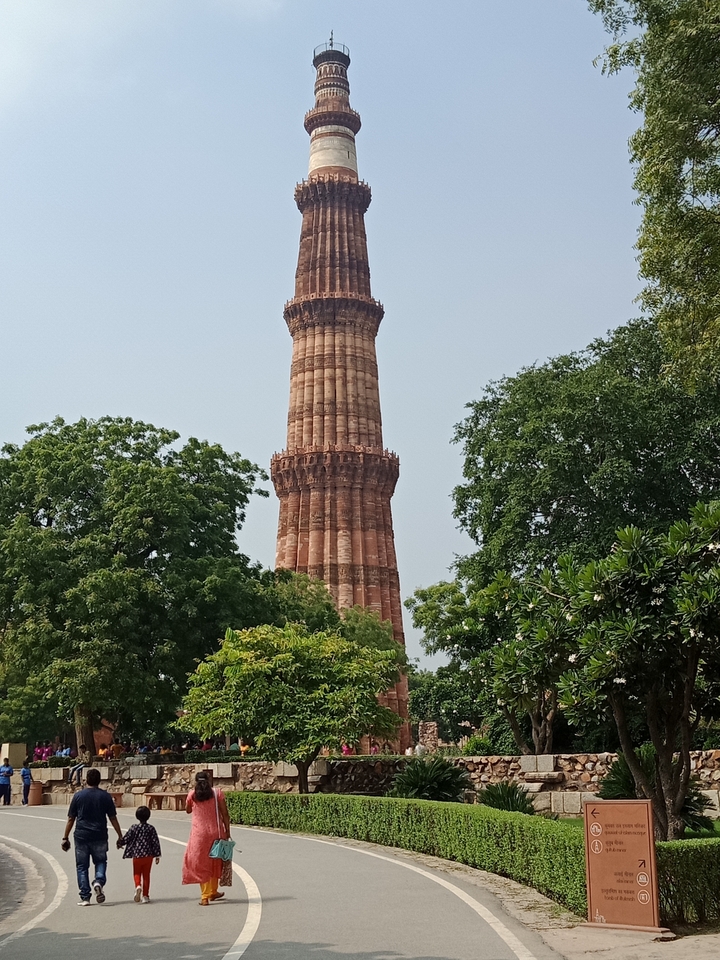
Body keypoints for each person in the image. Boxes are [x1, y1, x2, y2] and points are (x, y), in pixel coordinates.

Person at [61, 767, 123, 905]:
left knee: (82, 866)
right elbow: (113, 818)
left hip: (81, 836)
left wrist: (65, 837)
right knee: (100, 861)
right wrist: (120, 835)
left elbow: (71, 818)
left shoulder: (78, 796)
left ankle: (85, 897)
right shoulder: (105, 796)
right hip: (100, 835)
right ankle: (98, 881)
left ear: (86, 780)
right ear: (99, 781)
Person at [182, 771, 230, 906]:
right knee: (216, 861)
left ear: (196, 781)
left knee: (202, 863)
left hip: (199, 835)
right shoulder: (217, 793)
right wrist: (227, 831)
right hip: (216, 832)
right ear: (209, 780)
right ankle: (213, 891)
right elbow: (225, 814)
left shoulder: (192, 794)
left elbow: (188, 810)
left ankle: (205, 896)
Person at [117, 805, 162, 904]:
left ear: (137, 816)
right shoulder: (151, 828)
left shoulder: (134, 828)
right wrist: (157, 855)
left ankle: (138, 886)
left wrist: (120, 843)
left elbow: (127, 838)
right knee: (146, 875)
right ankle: (145, 896)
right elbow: (155, 842)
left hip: (137, 855)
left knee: (136, 873)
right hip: (148, 855)